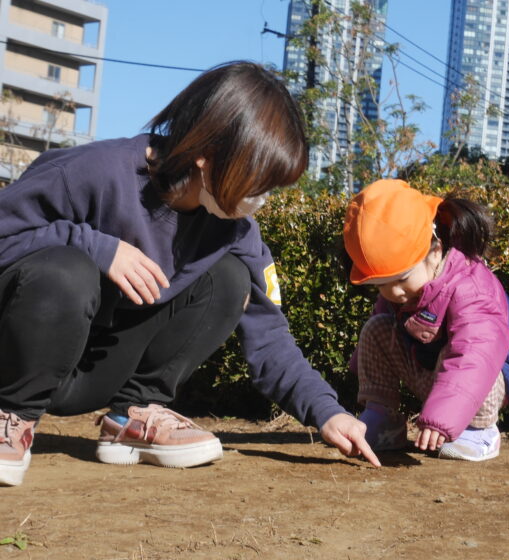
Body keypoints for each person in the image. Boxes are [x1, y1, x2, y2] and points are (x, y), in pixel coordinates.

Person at [0, 61, 379, 487]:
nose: (261, 200)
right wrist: (96, 247)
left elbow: (270, 334)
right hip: (14, 359)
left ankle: (132, 416)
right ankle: (10, 417)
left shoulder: (235, 230)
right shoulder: (94, 172)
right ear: (206, 153)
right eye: (257, 181)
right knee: (67, 270)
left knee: (231, 279)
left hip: (93, 373)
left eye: (271, 187)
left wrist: (328, 411)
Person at [342, 179, 509, 462]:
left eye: (402, 278)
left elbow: (475, 352)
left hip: (489, 374)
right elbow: (380, 329)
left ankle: (480, 431)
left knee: (466, 349)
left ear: (435, 251)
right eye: (381, 284)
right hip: (435, 370)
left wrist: (441, 418)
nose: (393, 292)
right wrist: (362, 368)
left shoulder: (470, 287)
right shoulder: (401, 293)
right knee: (376, 329)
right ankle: (385, 419)